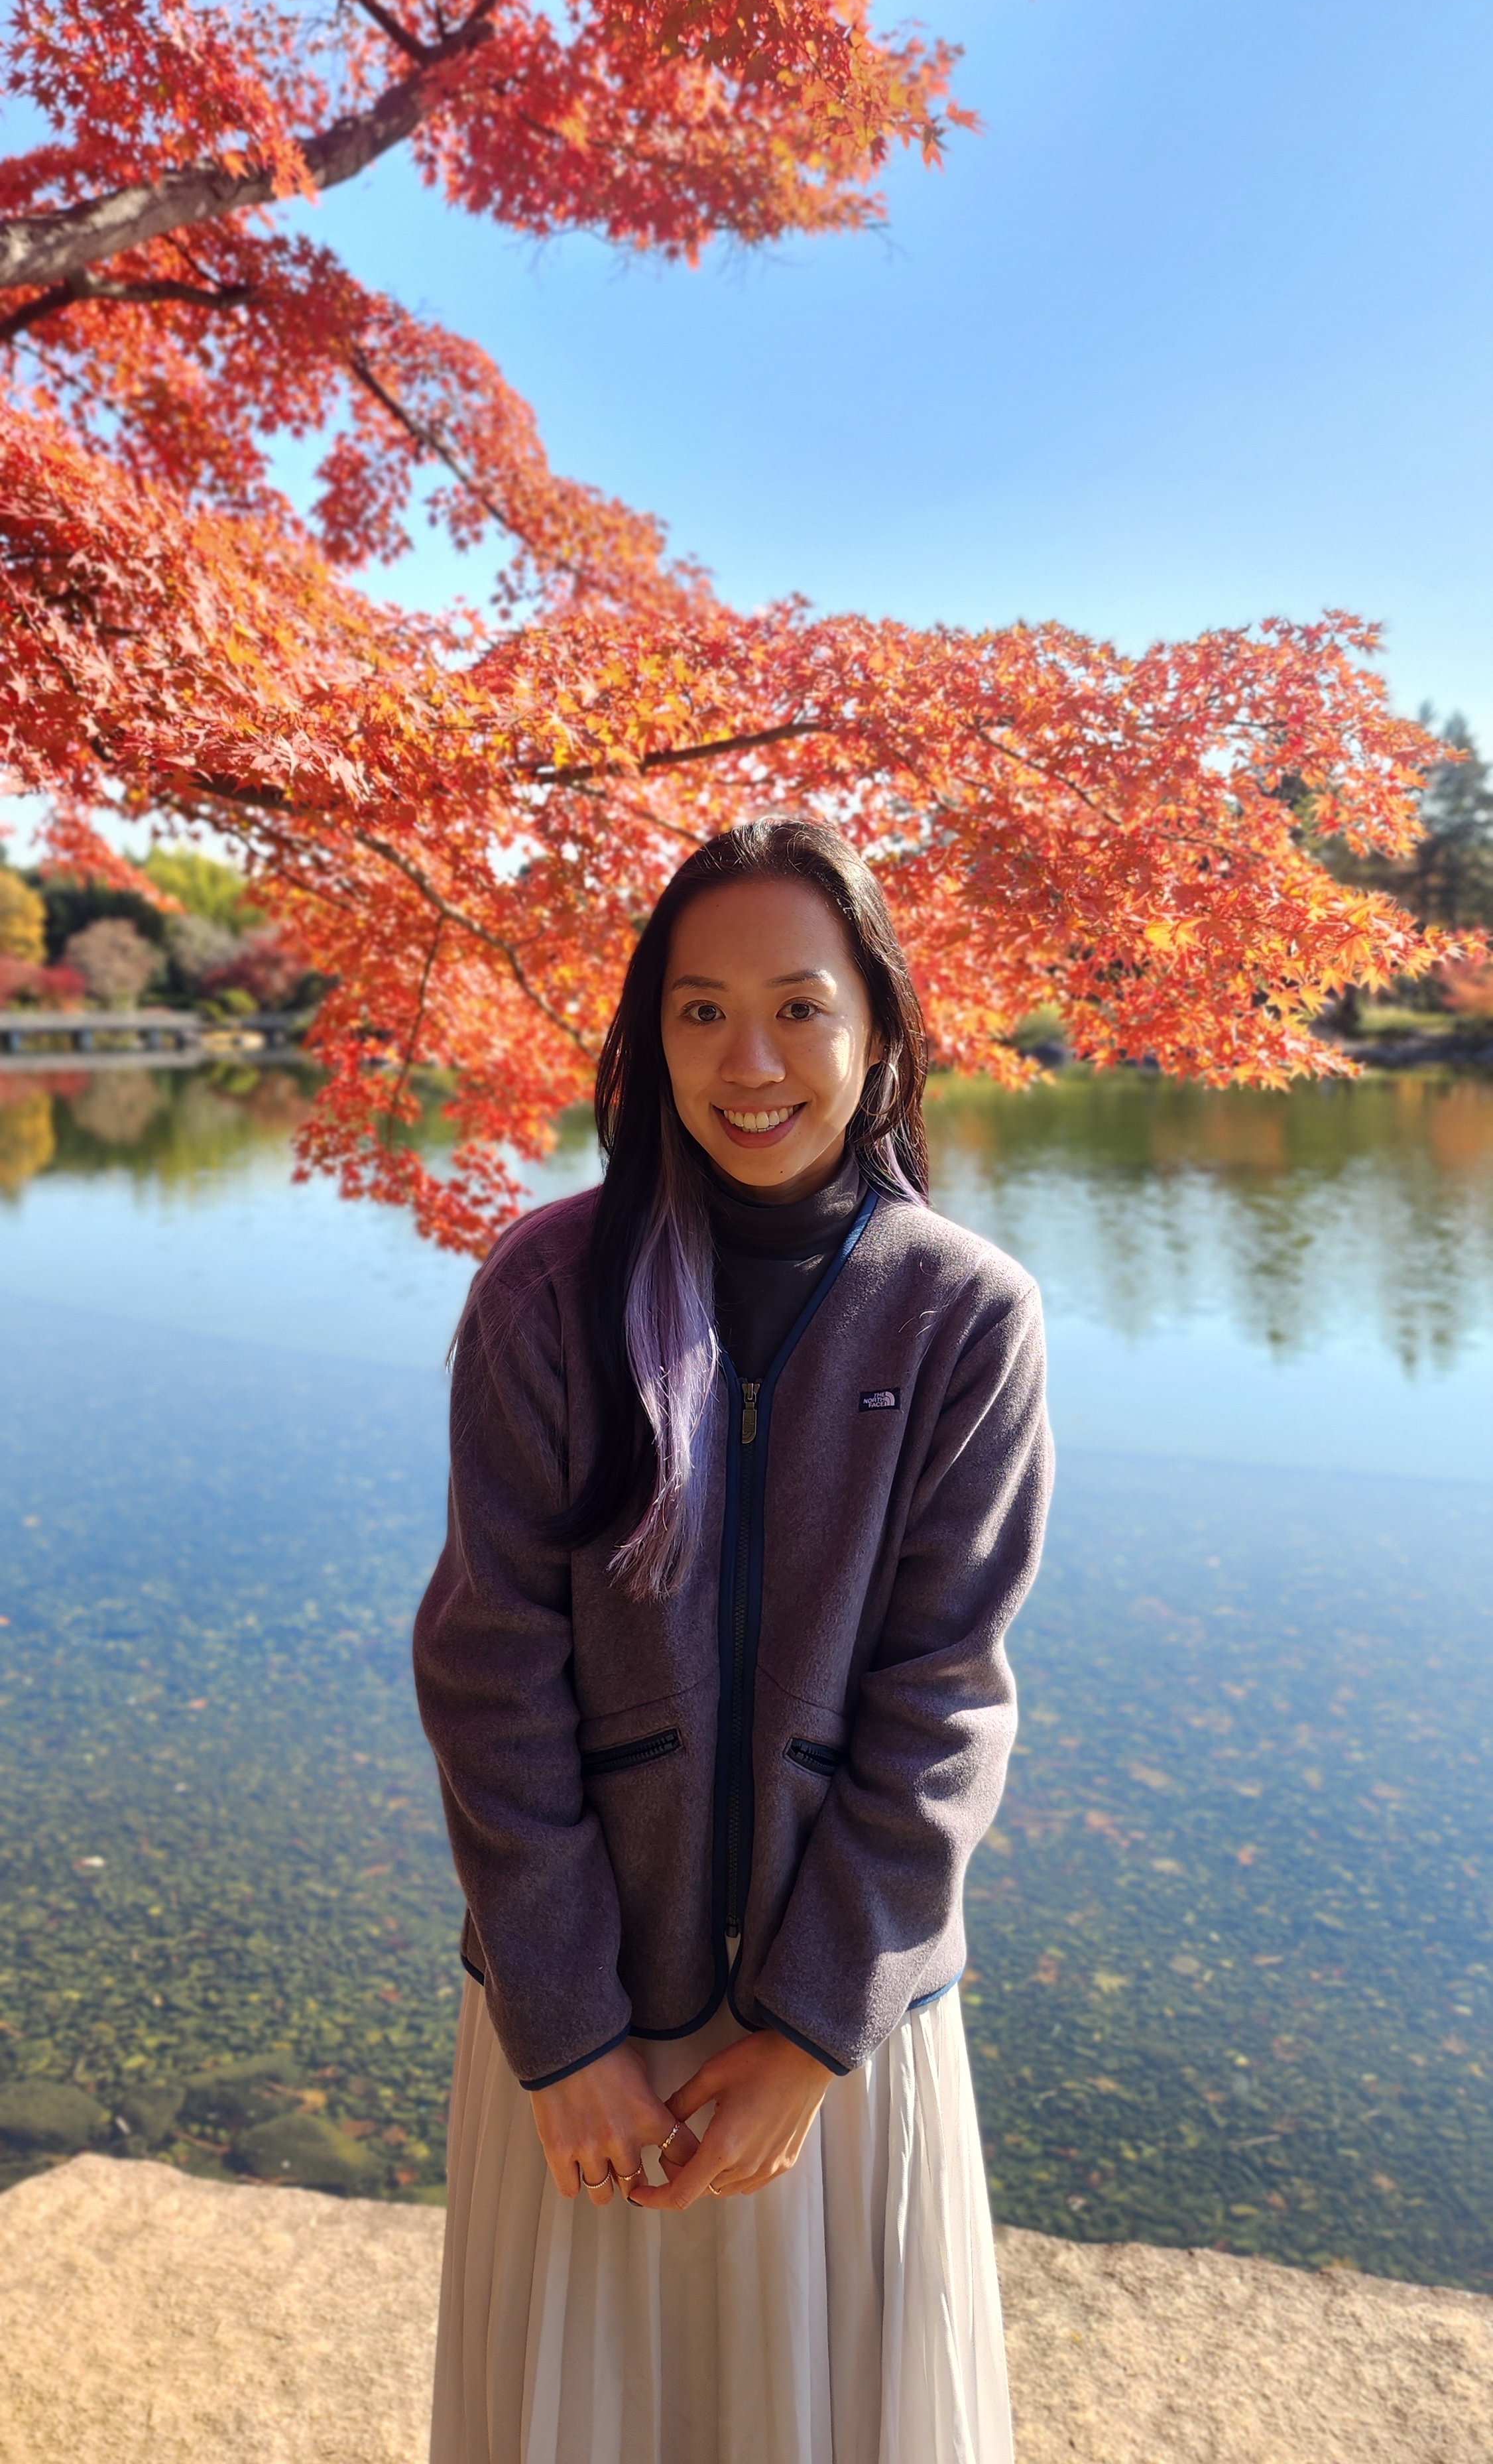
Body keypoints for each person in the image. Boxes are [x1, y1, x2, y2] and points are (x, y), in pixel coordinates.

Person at [414, 818, 1053, 2464]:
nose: (748, 1059)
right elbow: (492, 1671)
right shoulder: (548, 1289)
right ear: (647, 1036)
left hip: (828, 2031)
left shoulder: (964, 1311)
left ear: (880, 1027)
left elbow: (943, 1699)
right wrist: (566, 2032)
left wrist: (807, 2036)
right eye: (698, 1010)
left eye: (798, 1004)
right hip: (587, 2033)